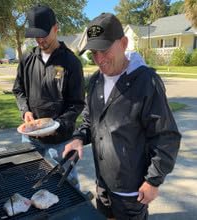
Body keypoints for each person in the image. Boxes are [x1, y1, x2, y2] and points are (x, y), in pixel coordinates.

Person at [63, 13, 181, 220]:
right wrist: (79, 138)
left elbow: (166, 136)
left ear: (124, 43)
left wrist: (154, 180)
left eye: (104, 50)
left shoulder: (146, 81)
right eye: (93, 53)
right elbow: (91, 119)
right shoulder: (96, 81)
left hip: (131, 190)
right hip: (103, 183)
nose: (99, 59)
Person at [12, 5, 85, 186]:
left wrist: (58, 124)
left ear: (55, 28)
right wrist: (25, 111)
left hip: (61, 140)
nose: (40, 39)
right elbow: (18, 90)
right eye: (36, 35)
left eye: (44, 33)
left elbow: (77, 103)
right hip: (31, 137)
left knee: (67, 184)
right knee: (32, 181)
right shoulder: (27, 60)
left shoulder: (71, 62)